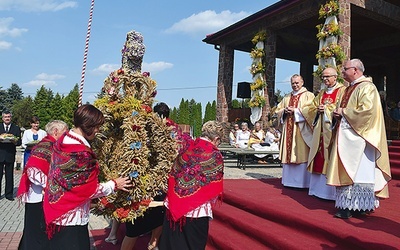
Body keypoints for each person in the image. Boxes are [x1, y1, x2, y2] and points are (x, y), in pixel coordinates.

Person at [43, 104, 133, 249]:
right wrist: (114, 184)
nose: (97, 131)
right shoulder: (80, 152)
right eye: (96, 127)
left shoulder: (64, 140)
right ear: (88, 125)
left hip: (58, 209)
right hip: (71, 217)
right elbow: (88, 189)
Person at [327, 59, 391, 219]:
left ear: (355, 70)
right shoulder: (345, 90)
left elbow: (367, 112)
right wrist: (336, 114)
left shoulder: (368, 88)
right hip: (346, 136)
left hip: (361, 139)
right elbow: (340, 109)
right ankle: (347, 206)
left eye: (345, 69)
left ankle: (360, 206)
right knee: (347, 170)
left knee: (360, 172)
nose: (342, 72)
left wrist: (344, 112)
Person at [159, 120, 224, 250]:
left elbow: (174, 173)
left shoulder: (186, 148)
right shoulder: (215, 154)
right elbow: (214, 184)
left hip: (173, 207)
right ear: (216, 138)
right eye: (219, 142)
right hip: (196, 212)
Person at [120, 102, 172, 250]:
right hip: (140, 183)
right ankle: (152, 243)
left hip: (157, 182)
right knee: (133, 228)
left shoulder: (168, 132)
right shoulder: (140, 131)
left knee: (157, 218)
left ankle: (153, 244)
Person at [17, 120, 69, 250]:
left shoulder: (53, 144)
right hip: (37, 196)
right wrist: (50, 185)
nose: (66, 135)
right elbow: (33, 171)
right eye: (65, 132)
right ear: (55, 131)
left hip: (44, 195)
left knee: (39, 231)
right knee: (35, 231)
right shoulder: (45, 146)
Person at [301, 67, 345, 200]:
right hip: (320, 130)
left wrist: (326, 109)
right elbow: (311, 108)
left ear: (335, 77)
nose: (325, 79)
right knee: (318, 157)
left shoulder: (342, 91)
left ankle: (330, 193)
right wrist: (317, 110)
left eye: (327, 77)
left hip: (333, 131)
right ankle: (317, 190)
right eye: (323, 77)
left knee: (330, 157)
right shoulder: (322, 93)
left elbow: (342, 108)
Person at [274, 74, 314, 188]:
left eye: (297, 83)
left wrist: (296, 111)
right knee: (288, 152)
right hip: (288, 129)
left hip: (301, 130)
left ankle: (302, 183)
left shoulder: (308, 95)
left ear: (302, 82)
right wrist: (284, 111)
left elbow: (311, 111)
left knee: (300, 152)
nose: (295, 85)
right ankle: (288, 181)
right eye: (293, 83)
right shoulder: (287, 97)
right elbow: (277, 110)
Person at [0, 110, 22, 201]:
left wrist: (15, 141)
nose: (7, 118)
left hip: (10, 154)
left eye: (8, 117)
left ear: (11, 118)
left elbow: (19, 142)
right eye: (5, 117)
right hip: (0, 154)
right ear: (2, 118)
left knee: (9, 176)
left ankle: (9, 194)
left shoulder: (16, 128)